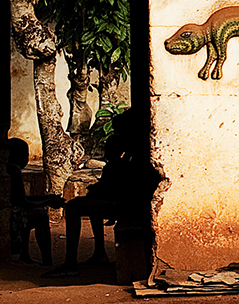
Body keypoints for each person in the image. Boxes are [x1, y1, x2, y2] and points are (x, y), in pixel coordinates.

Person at [47, 106, 159, 277]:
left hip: (126, 202)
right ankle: (99, 253)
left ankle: (70, 263)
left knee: (73, 207)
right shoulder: (134, 150)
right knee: (92, 200)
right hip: (124, 198)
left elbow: (121, 183)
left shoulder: (132, 152)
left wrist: (105, 186)